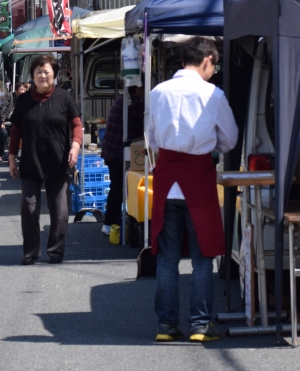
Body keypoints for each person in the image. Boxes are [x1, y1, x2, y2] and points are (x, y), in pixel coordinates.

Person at [145, 37, 238, 343]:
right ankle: (200, 324)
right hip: (198, 178)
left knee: (167, 258)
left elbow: (152, 138)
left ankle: (166, 325)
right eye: (215, 64)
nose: (214, 70)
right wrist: (211, 146)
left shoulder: (158, 92)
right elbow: (230, 139)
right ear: (207, 59)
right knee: (202, 257)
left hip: (167, 179)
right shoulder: (213, 94)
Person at [8, 55, 82, 265]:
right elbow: (16, 131)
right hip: (30, 160)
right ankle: (31, 252)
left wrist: (75, 146)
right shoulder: (24, 100)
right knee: (28, 207)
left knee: (59, 210)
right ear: (32, 76)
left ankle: (56, 251)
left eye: (47, 72)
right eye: (38, 72)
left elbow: (76, 125)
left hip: (58, 160)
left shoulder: (64, 97)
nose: (42, 75)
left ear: (55, 75)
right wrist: (12, 158)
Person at [100, 85, 143, 243]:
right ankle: (110, 223)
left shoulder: (123, 99)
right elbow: (149, 119)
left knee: (117, 187)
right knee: (118, 188)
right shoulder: (133, 103)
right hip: (117, 152)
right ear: (137, 89)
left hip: (112, 150)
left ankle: (111, 221)